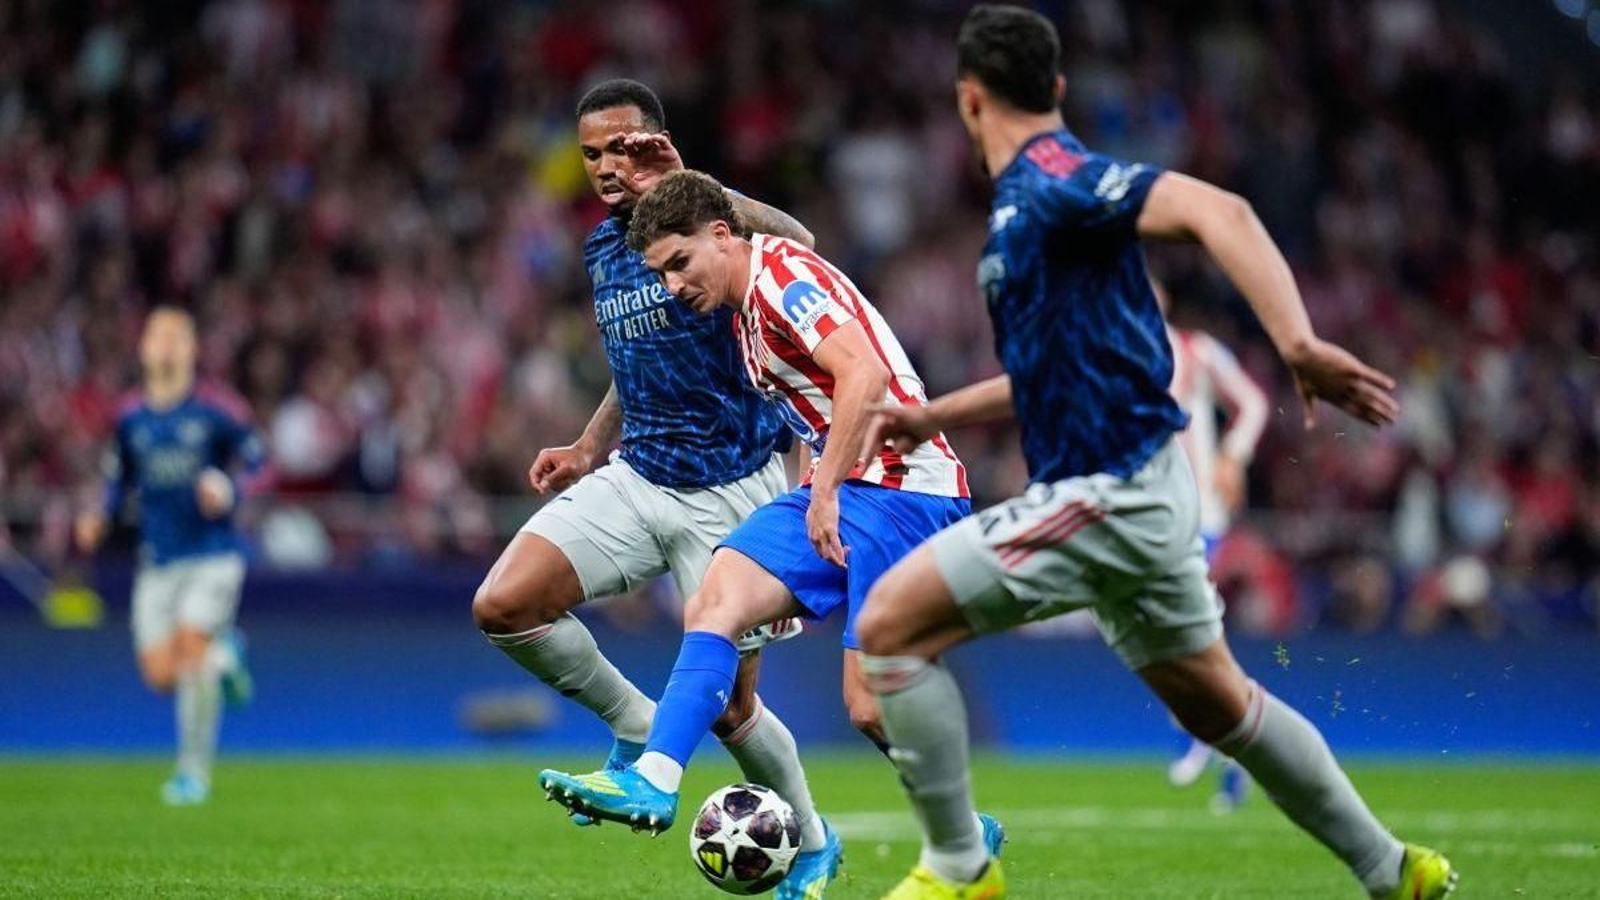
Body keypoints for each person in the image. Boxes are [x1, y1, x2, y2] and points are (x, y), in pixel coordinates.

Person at [853, 7, 1456, 899]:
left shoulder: (1058, 179)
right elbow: (1052, 372)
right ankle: (1390, 868)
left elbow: (1222, 210)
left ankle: (957, 867)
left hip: (1113, 491)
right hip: (1141, 488)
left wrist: (1296, 343)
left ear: (968, 99)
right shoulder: (1026, 211)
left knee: (888, 631)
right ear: (1055, 87)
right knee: (1220, 704)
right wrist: (933, 413)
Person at [536, 169, 1003, 870]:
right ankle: (656, 778)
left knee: (869, 708)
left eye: (680, 264)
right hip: (845, 483)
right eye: (659, 273)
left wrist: (823, 494)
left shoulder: (781, 277)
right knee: (715, 599)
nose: (672, 286)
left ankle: (963, 828)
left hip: (906, 492)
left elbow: (864, 377)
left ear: (722, 237)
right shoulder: (746, 304)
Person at [466, 80, 839, 897]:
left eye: (622, 146)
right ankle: (637, 725)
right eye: (591, 152)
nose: (605, 166)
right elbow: (635, 360)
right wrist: (590, 444)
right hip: (640, 473)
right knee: (505, 604)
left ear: (657, 142)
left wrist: (690, 178)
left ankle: (813, 841)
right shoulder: (604, 245)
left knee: (734, 709)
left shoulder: (713, 229)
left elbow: (802, 242)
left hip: (733, 492)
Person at [75, 306, 261, 806]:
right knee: (162, 676)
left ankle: (192, 774)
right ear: (143, 348)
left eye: (177, 337)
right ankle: (228, 658)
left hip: (213, 555)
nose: (166, 345)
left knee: (191, 648)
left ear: (193, 350)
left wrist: (229, 486)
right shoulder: (130, 418)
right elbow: (117, 481)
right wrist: (98, 514)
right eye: (157, 335)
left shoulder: (216, 410)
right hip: (158, 559)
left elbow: (259, 461)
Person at [1155, 279, 1270, 811]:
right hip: (1147, 519)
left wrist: (1234, 455)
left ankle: (1204, 732)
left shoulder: (1197, 352)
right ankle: (1234, 755)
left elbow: (1253, 403)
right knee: (1179, 635)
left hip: (1199, 512)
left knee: (1183, 631)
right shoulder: (1109, 356)